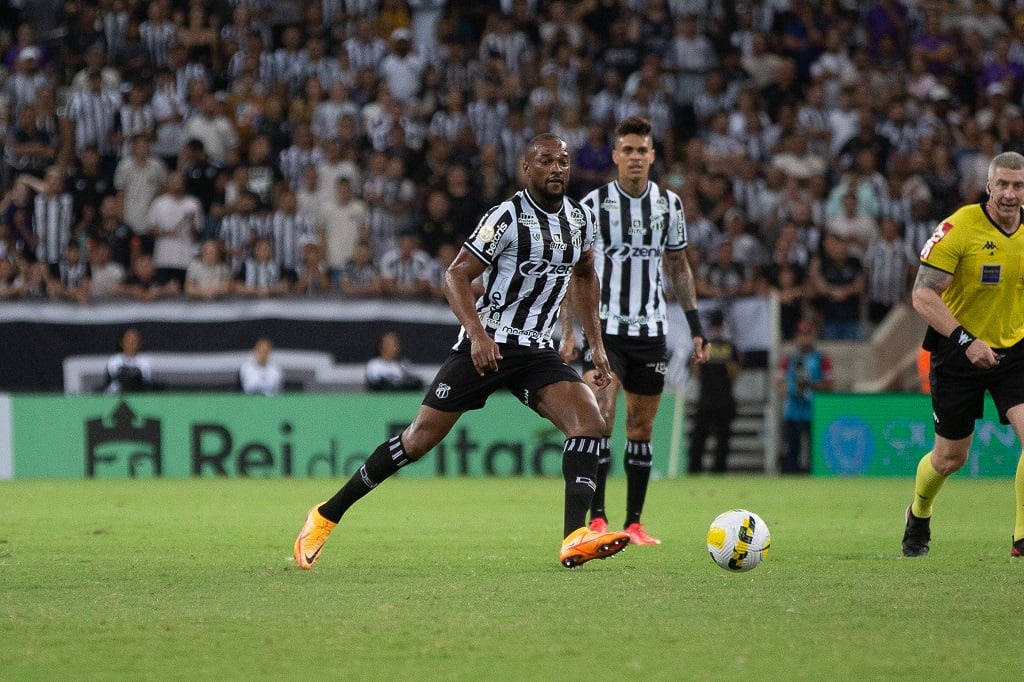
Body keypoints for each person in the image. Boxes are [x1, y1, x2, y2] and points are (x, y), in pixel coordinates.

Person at [294, 134, 631, 570]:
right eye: (546, 161)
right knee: (417, 440)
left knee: (589, 422)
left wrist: (596, 346)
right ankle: (325, 515)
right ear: (526, 169)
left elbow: (585, 276)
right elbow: (455, 275)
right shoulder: (505, 218)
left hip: (537, 350)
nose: (556, 169)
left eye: (563, 162)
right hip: (487, 345)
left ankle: (574, 537)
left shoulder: (579, 219)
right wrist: (477, 334)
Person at [559, 116, 710, 546]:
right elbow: (574, 271)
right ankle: (598, 518)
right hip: (603, 331)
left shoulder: (669, 205)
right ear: (615, 155)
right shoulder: (593, 206)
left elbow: (678, 267)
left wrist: (696, 326)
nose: (635, 157)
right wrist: (568, 332)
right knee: (601, 417)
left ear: (652, 155)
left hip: (650, 332)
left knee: (640, 428)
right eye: (627, 150)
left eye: (642, 150)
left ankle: (634, 523)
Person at [902, 151, 1024, 558]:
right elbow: (922, 294)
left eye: (1018, 186)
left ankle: (1022, 538)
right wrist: (966, 340)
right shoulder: (959, 228)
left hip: (1014, 350)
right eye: (1002, 184)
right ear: (988, 186)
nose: (1009, 194)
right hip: (958, 352)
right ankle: (919, 512)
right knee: (949, 459)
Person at [776, 319, 834, 474]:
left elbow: (829, 385)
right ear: (797, 336)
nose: (805, 338)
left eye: (808, 334)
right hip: (792, 410)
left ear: (814, 336)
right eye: (802, 334)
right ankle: (790, 475)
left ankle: (813, 474)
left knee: (814, 449)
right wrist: (792, 389)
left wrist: (810, 384)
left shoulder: (822, 359)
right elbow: (779, 383)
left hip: (814, 410)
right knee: (791, 447)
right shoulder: (788, 359)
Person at [688, 310, 740, 474]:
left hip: (706, 398)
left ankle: (695, 469)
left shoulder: (703, 346)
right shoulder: (729, 346)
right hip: (725, 398)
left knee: (699, 437)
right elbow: (734, 373)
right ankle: (719, 469)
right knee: (723, 438)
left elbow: (695, 372)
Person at [103, 328, 155, 394]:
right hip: (117, 395)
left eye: (134, 341)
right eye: (128, 340)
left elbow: (148, 384)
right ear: (121, 343)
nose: (131, 343)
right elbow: (108, 385)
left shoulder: (146, 363)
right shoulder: (113, 361)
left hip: (139, 395)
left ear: (139, 344)